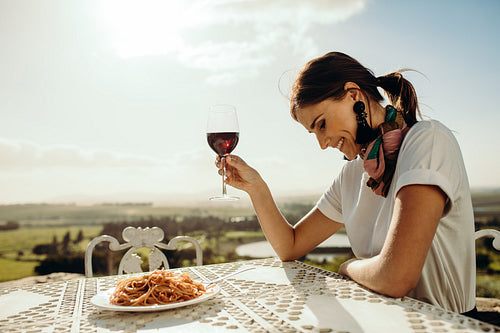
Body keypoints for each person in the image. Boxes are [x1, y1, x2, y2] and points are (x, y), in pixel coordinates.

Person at [215, 52, 476, 315]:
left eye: (322, 124)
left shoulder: (427, 142)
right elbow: (290, 246)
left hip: (447, 325)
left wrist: (347, 267)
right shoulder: (353, 173)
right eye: (314, 133)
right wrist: (256, 188)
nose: (322, 143)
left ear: (354, 94)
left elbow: (396, 277)